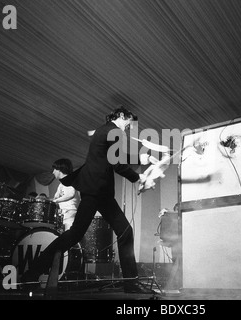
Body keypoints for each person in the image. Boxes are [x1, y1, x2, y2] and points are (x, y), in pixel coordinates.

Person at [22, 106, 153, 294]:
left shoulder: (105, 130)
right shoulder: (114, 131)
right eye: (129, 122)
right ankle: (32, 272)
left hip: (99, 192)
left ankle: (131, 282)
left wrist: (143, 158)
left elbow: (114, 157)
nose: (128, 126)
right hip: (96, 191)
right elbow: (117, 164)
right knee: (76, 234)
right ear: (122, 116)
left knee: (123, 231)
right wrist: (138, 177)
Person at [50, 158, 80, 231]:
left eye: (54, 169)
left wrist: (56, 201)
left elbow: (70, 194)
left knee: (69, 238)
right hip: (64, 215)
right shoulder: (61, 184)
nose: (53, 172)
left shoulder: (70, 180)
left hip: (70, 214)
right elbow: (55, 198)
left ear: (59, 169)